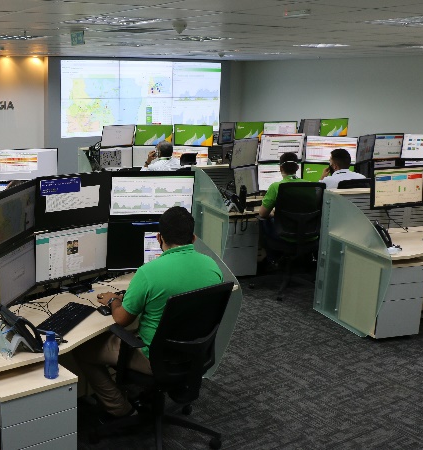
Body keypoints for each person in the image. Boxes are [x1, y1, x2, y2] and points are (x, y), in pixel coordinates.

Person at [75, 206, 223, 420]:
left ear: (159, 237)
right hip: (195, 353)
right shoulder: (212, 267)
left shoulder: (148, 273)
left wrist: (114, 300)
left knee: (83, 350)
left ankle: (121, 409)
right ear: (193, 238)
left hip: (155, 358)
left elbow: (121, 319)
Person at [258, 152, 305, 219]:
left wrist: (273, 214)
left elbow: (262, 214)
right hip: (306, 224)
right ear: (297, 167)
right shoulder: (309, 186)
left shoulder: (275, 187)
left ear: (281, 168)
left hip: (283, 225)